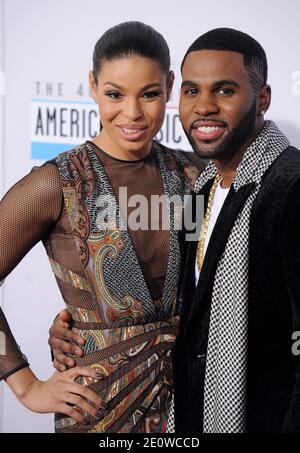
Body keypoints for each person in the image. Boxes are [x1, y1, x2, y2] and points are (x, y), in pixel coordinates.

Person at [0, 21, 202, 433]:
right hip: (97, 408)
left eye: (149, 94)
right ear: (92, 86)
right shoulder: (56, 183)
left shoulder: (194, 175)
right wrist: (25, 384)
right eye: (114, 94)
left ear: (169, 85)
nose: (132, 113)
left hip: (192, 396)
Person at [171, 28, 300, 433]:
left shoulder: (291, 184)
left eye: (224, 91)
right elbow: (189, 311)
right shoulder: (199, 188)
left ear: (262, 99)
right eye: (191, 91)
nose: (203, 107)